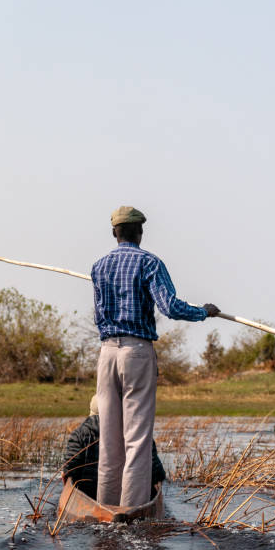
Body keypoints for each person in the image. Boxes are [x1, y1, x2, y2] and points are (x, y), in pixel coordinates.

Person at [91, 206, 220, 507]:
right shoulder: (149, 262)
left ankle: (104, 508)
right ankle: (130, 511)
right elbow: (170, 307)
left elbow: (98, 313)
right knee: (137, 440)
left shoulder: (98, 266)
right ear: (141, 232)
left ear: (114, 233)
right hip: (136, 351)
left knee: (110, 442)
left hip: (106, 352)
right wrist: (204, 312)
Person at [62, 395, 166, 500]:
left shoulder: (79, 434)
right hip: (133, 498)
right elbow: (158, 474)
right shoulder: (139, 433)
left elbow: (69, 471)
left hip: (88, 496)